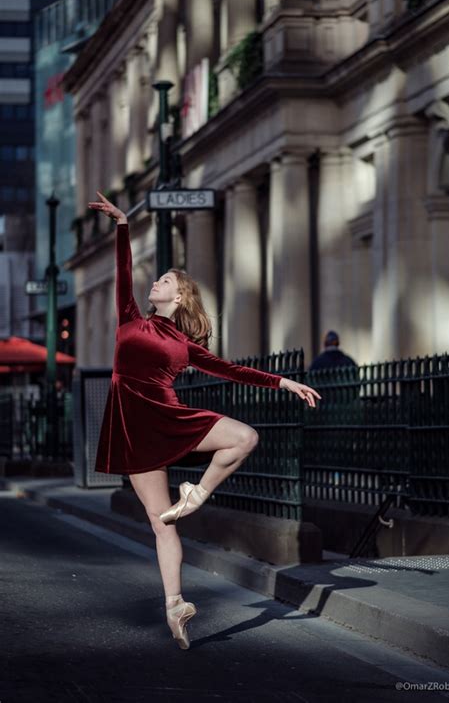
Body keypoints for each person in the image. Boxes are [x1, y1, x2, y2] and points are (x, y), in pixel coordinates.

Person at [88, 191, 322, 650]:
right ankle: (175, 604)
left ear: (179, 294)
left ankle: (198, 493)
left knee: (244, 437)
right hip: (133, 427)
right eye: (155, 279)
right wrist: (121, 226)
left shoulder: (186, 345)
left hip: (168, 415)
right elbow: (121, 272)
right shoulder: (130, 317)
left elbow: (233, 370)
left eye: (163, 280)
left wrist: (283, 382)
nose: (153, 283)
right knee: (161, 523)